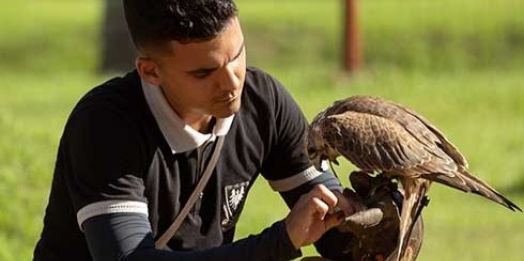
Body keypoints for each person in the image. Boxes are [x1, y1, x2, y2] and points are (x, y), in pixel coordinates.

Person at [32, 1, 357, 260]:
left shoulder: (262, 101)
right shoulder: (105, 124)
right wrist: (281, 240)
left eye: (237, 55)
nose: (232, 82)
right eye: (204, 72)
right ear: (150, 71)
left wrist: (377, 213)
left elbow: (334, 230)